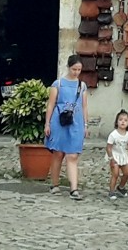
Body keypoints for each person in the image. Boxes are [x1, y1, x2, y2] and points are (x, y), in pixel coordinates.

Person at [44, 55, 89, 201]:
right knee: (58, 153)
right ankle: (55, 184)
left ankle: (74, 189)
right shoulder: (58, 84)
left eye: (79, 69)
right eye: (74, 69)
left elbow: (84, 106)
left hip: (76, 122)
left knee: (73, 155)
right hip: (59, 120)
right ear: (68, 67)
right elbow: (51, 104)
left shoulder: (82, 86)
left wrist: (86, 124)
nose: (76, 72)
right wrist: (47, 123)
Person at [106, 110, 128, 200]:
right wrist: (111, 158)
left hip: (123, 155)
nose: (123, 122)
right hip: (114, 155)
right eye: (120, 119)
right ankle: (111, 191)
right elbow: (108, 147)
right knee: (115, 173)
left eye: (125, 120)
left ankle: (121, 187)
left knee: (127, 172)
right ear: (117, 122)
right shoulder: (113, 135)